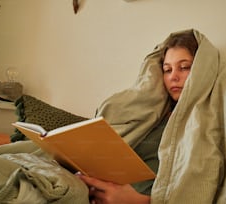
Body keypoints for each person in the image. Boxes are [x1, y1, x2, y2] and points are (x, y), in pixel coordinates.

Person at [76, 31, 199, 204]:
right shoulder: (152, 116)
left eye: (184, 67)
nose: (173, 77)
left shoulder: (203, 124)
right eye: (167, 69)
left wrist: (144, 200)